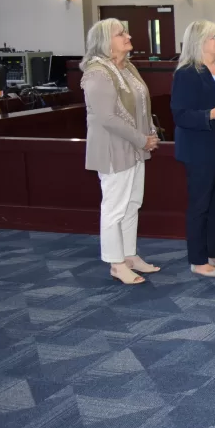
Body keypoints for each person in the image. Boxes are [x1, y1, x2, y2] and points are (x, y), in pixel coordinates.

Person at [80, 18, 160, 285]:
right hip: (113, 149)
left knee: (132, 204)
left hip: (135, 147)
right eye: (120, 34)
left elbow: (142, 105)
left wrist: (149, 134)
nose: (127, 36)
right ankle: (116, 263)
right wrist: (141, 139)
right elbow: (107, 117)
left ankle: (129, 255)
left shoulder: (128, 68)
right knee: (114, 208)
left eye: (125, 31)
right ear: (106, 42)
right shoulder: (96, 73)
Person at [171, 20, 215, 278]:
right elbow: (180, 115)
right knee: (200, 205)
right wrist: (210, 114)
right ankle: (198, 259)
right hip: (200, 148)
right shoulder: (187, 72)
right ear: (199, 42)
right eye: (214, 38)